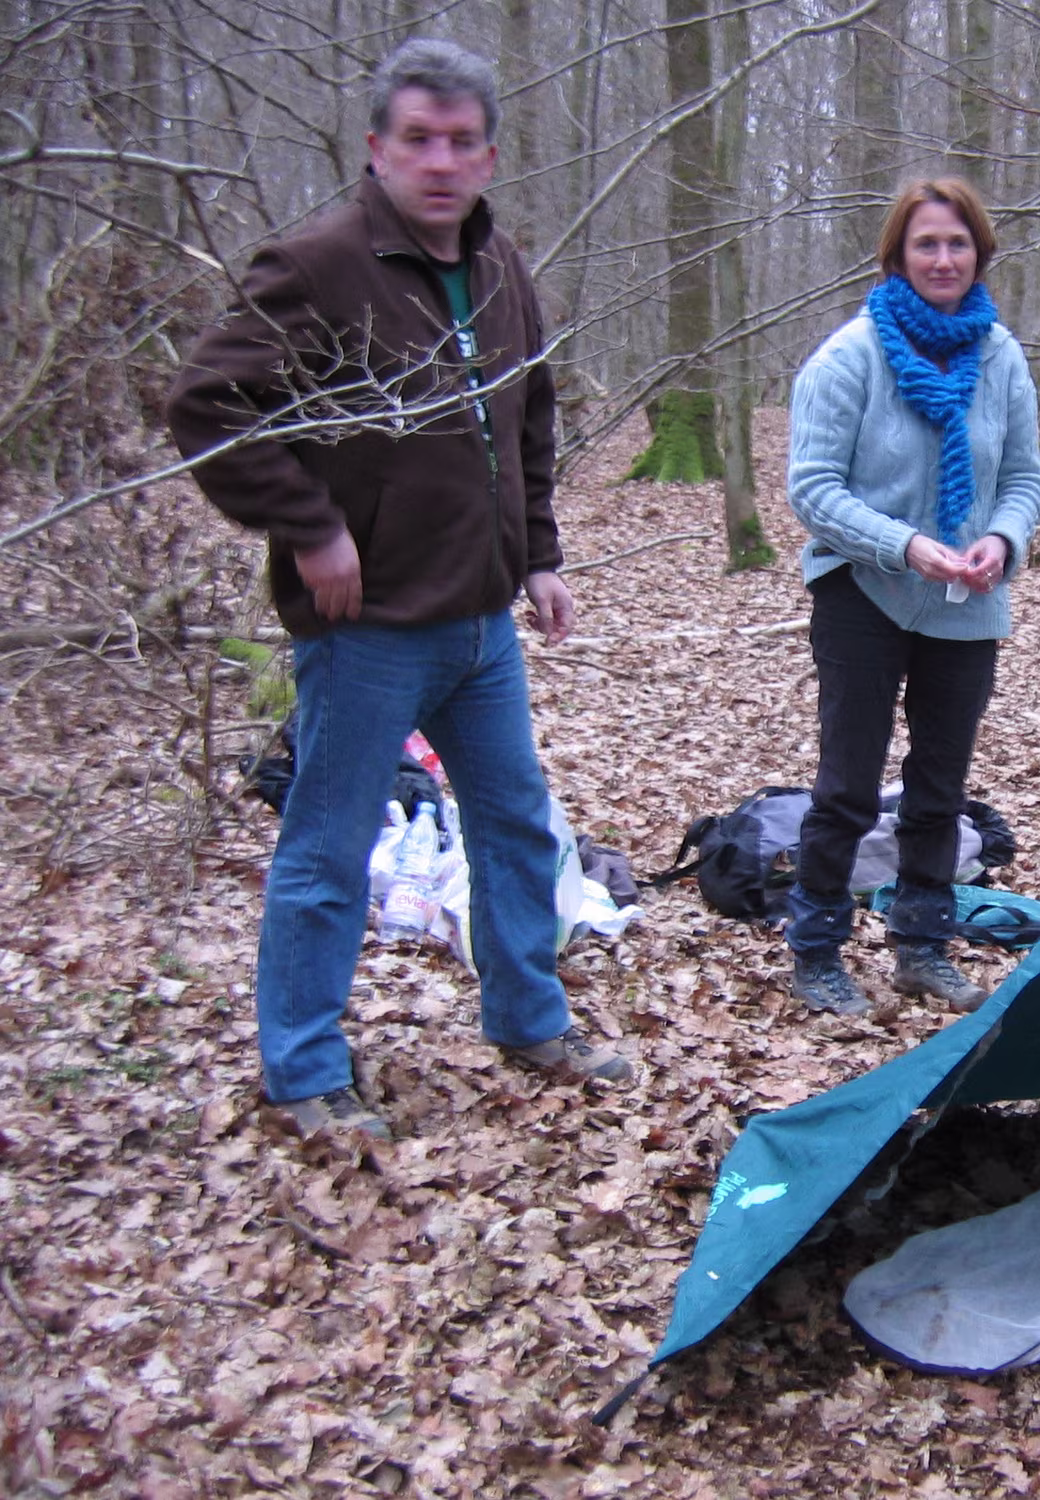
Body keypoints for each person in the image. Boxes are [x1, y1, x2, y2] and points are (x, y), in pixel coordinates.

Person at [168, 39, 630, 1143]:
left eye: (461, 142)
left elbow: (526, 419)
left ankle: (528, 1018)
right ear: (377, 148)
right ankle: (303, 1075)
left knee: (516, 827)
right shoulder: (317, 265)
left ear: (490, 157)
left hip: (480, 626)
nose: (440, 161)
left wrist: (541, 554)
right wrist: (312, 527)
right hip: (366, 629)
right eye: (418, 139)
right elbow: (206, 404)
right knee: (328, 852)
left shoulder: (501, 267)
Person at [784, 177, 1040, 1017]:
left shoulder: (1000, 357)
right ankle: (816, 952)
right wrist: (904, 545)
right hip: (863, 591)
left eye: (957, 243)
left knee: (941, 787)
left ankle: (923, 948)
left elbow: (1024, 477)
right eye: (926, 243)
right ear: (896, 255)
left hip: (969, 601)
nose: (943, 259)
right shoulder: (850, 356)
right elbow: (812, 489)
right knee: (849, 787)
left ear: (980, 254)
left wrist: (1000, 539)